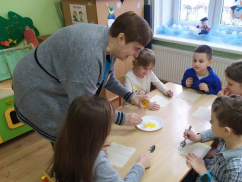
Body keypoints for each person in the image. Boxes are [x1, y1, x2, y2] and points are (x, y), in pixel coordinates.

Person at [12, 11, 152, 143]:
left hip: (55, 80)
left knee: (78, 136)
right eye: (136, 49)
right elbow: (84, 105)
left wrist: (130, 96)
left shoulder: (111, 43)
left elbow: (108, 78)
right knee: (66, 139)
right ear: (121, 38)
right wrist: (121, 118)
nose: (136, 56)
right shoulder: (88, 55)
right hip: (34, 86)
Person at [48, 95, 151, 182]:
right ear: (97, 131)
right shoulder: (98, 161)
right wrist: (140, 165)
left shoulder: (63, 141)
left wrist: (93, 145)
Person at [164, 95, 242, 182]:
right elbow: (216, 132)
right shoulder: (235, 136)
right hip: (210, 175)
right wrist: (197, 137)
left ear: (227, 130)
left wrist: (204, 172)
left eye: (212, 121)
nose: (210, 122)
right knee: (172, 181)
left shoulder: (238, 169)